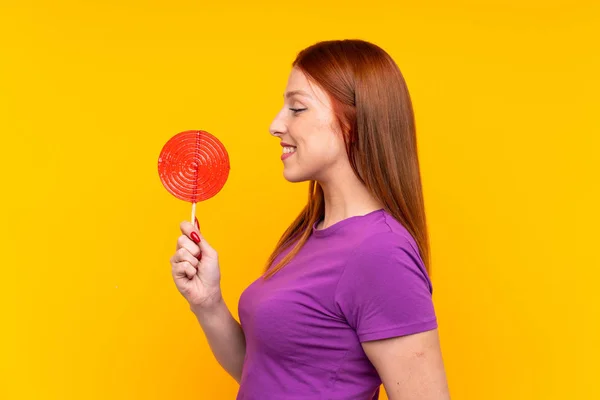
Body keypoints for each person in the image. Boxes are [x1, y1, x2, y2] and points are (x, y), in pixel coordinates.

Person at [170, 39, 450, 399]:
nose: (275, 125)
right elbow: (267, 376)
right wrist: (207, 303)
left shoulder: (381, 252)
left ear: (352, 121)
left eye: (297, 108)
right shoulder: (306, 235)